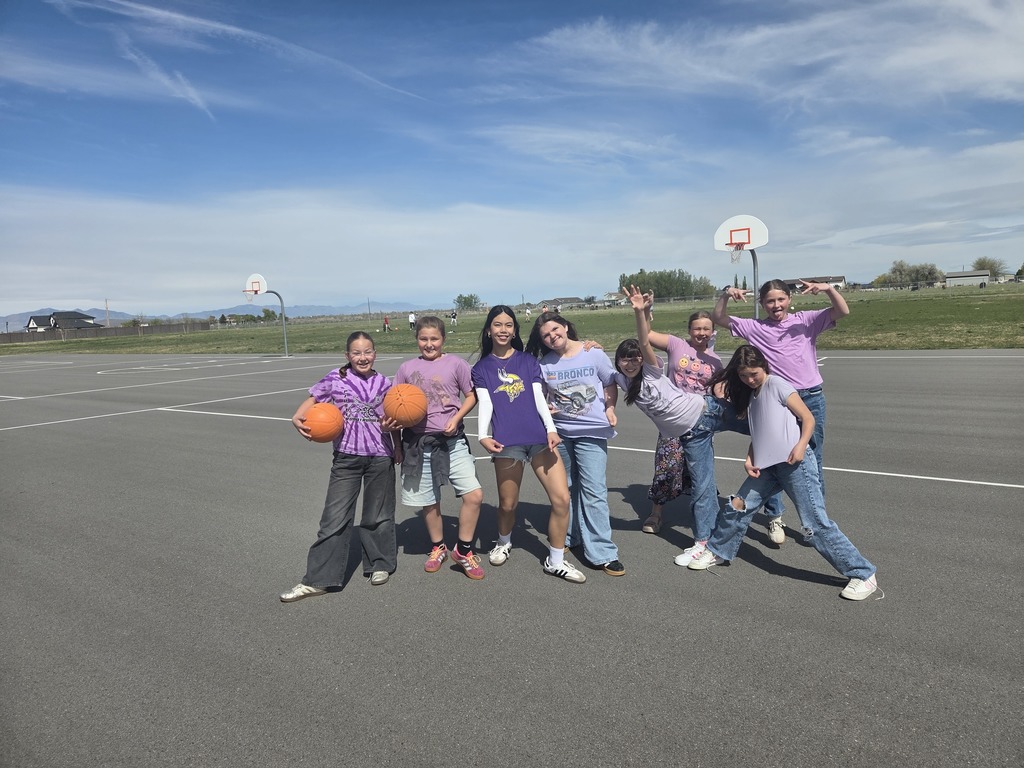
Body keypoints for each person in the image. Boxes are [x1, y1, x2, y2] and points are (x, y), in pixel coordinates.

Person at [687, 345, 879, 601]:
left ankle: (863, 574)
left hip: (794, 463)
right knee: (737, 505)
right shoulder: (751, 396)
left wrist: (801, 446)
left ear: (764, 367)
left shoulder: (777, 384)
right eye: (743, 376)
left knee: (814, 524)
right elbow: (760, 433)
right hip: (766, 468)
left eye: (753, 373)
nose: (749, 379)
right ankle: (718, 550)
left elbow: (808, 418)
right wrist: (749, 458)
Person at [616, 285, 761, 566]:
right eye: (625, 359)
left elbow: (644, 340)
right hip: (689, 432)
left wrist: (640, 313)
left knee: (762, 427)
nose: (631, 362)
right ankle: (703, 542)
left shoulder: (652, 369)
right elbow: (600, 369)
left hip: (707, 411)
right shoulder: (626, 376)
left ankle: (796, 439)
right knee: (702, 486)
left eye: (635, 358)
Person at [280, 332, 400, 602]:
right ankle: (318, 579)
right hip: (346, 457)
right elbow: (314, 397)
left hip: (381, 456)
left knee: (378, 515)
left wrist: (398, 445)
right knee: (334, 518)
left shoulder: (384, 383)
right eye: (356, 353)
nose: (363, 357)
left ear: (375, 354)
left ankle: (379, 563)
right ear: (347, 356)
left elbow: (393, 418)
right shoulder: (336, 378)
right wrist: (298, 415)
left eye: (367, 351)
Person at [471, 305, 585, 583]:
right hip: (506, 443)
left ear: (514, 330)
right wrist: (482, 435)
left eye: (508, 325)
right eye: (497, 325)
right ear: (489, 330)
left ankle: (555, 560)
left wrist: (550, 428)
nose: (503, 330)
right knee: (508, 505)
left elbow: (537, 397)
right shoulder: (481, 368)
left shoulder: (528, 362)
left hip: (538, 439)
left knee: (562, 499)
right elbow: (485, 403)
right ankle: (503, 541)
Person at [711, 278, 848, 505]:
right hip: (776, 400)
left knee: (813, 457)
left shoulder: (806, 320)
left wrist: (828, 289)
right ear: (762, 304)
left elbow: (842, 311)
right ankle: (775, 515)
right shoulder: (755, 327)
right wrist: (726, 294)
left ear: (789, 299)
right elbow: (718, 318)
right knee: (774, 457)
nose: (776, 305)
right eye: (770, 301)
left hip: (809, 397)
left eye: (781, 299)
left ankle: (816, 515)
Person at [526, 311, 624, 576]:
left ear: (566, 327)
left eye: (555, 330)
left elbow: (610, 381)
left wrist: (611, 408)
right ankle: (570, 536)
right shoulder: (545, 364)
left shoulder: (592, 353)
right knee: (567, 487)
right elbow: (542, 396)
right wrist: (546, 408)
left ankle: (602, 552)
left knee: (593, 490)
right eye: (546, 335)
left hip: (591, 431)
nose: (552, 336)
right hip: (561, 433)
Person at [394, 316, 484, 579]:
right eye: (424, 339)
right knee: (428, 501)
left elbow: (471, 395)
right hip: (417, 443)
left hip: (451, 442)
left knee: (474, 495)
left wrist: (455, 418)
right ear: (417, 339)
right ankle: (438, 547)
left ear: (443, 339)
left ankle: (463, 550)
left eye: (434, 339)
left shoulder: (456, 364)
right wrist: (397, 445)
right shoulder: (406, 369)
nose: (429, 344)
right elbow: (395, 407)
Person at [638, 308, 721, 536]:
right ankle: (656, 513)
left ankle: (705, 517)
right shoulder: (676, 345)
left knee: (699, 471)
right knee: (667, 465)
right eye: (697, 328)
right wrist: (644, 312)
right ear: (689, 330)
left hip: (699, 421)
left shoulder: (717, 362)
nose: (701, 333)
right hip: (672, 418)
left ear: (713, 331)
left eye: (706, 328)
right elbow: (645, 336)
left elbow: (717, 394)